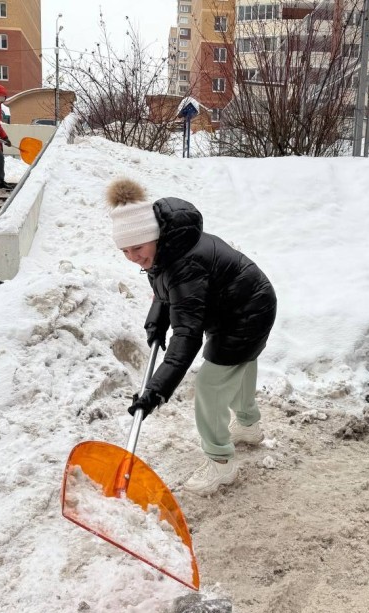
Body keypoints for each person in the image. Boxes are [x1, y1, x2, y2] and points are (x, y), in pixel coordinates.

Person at [106, 178, 277, 496]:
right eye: (124, 250)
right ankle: (248, 426)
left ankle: (221, 464)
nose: (132, 257)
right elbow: (164, 289)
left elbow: (187, 336)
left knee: (211, 385)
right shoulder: (168, 245)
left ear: (152, 236)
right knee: (240, 365)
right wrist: (156, 321)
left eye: (137, 248)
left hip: (245, 312)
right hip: (243, 301)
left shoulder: (183, 262)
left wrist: (156, 390)